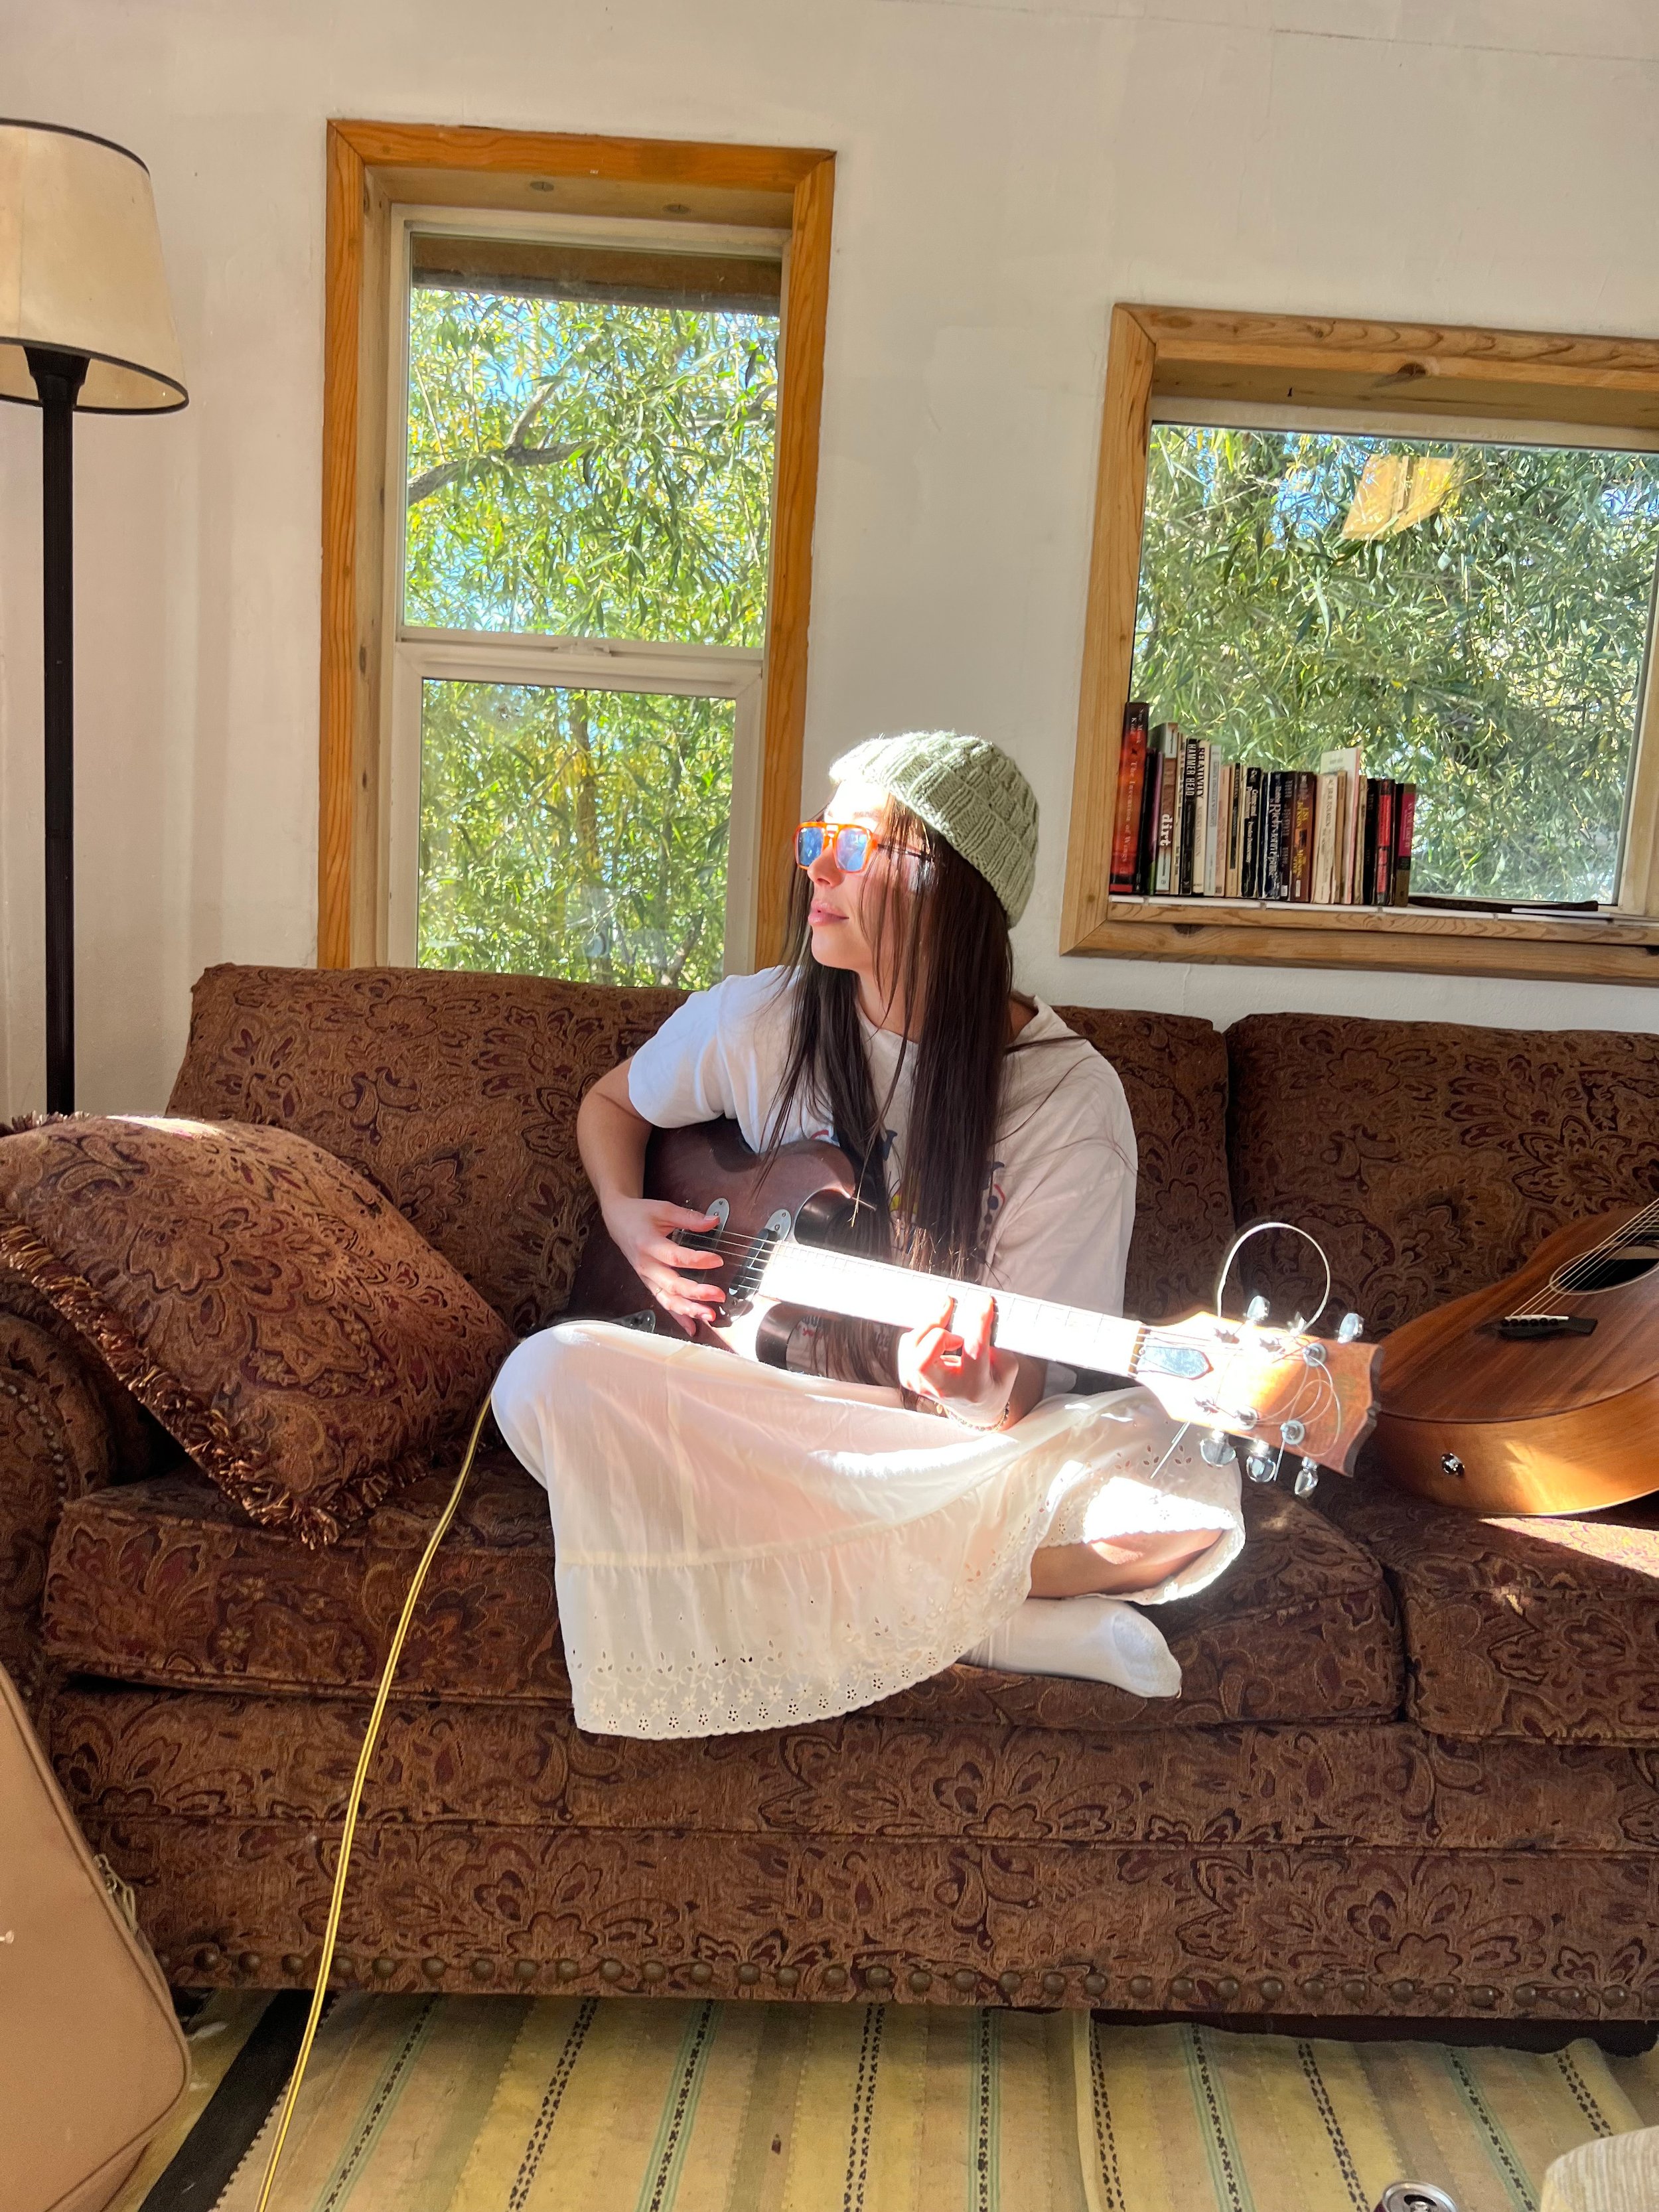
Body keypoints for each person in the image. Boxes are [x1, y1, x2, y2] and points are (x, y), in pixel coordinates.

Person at [492, 732, 1242, 1739]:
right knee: (541, 1379)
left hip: (932, 1451)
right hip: (767, 1413)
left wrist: (975, 1389)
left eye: (852, 845)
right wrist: (629, 1221)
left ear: (947, 883)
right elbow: (610, 1107)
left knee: (1183, 1495)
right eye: (818, 838)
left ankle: (897, 1592)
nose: (816, 864)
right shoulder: (763, 1020)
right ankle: (995, 1620)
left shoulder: (1069, 1100)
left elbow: (1021, 1394)